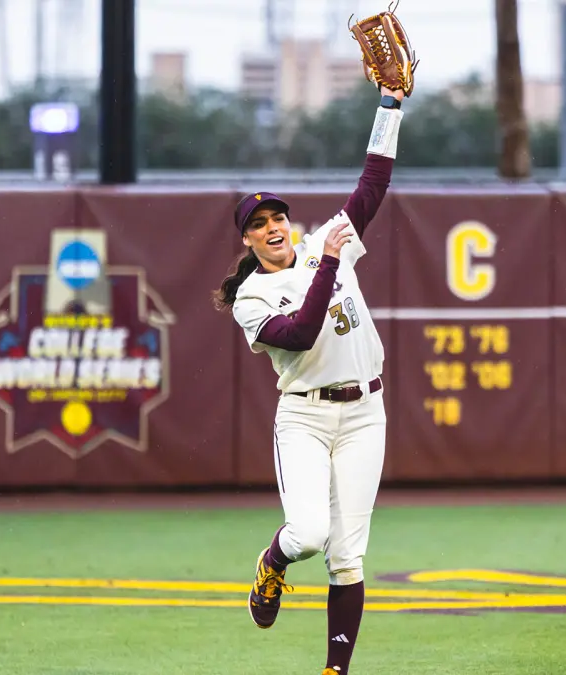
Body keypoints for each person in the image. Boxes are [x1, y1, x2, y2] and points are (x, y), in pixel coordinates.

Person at [211, 85, 404, 675]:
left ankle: (334, 671)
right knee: (310, 534)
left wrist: (390, 107)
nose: (274, 227)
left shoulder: (324, 243)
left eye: (279, 217)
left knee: (348, 558)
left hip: (366, 413)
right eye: (259, 224)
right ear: (246, 238)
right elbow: (298, 333)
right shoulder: (253, 294)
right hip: (306, 418)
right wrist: (326, 262)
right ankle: (273, 559)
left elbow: (373, 184)